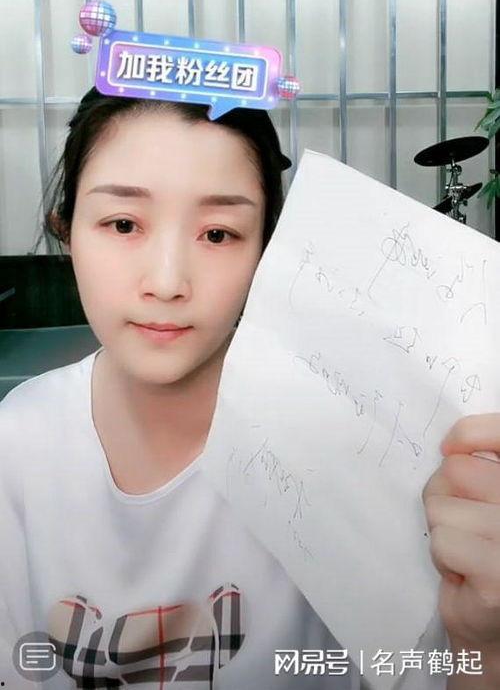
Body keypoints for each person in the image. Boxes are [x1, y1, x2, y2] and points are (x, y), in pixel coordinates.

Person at [0, 86, 499, 690]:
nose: (167, 281)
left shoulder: (352, 446)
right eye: (124, 223)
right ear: (67, 231)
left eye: (218, 234)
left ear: (266, 249)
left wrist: (483, 650)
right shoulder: (18, 440)